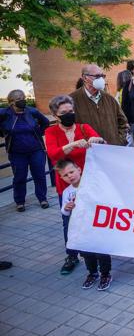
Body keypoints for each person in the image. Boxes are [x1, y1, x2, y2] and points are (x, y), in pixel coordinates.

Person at [45, 95, 104, 275]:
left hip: (88, 183)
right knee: (69, 220)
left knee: (93, 216)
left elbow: (100, 141)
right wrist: (71, 145)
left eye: (71, 111)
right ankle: (71, 254)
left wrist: (98, 140)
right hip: (67, 185)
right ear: (56, 115)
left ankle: (96, 251)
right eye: (64, 113)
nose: (69, 115)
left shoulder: (84, 128)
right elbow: (53, 154)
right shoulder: (51, 132)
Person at [56, 158, 113, 291]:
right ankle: (92, 273)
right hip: (82, 229)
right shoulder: (66, 192)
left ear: (79, 170)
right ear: (61, 178)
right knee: (87, 253)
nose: (69, 176)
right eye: (65, 175)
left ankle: (105, 274)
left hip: (98, 226)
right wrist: (67, 208)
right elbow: (64, 213)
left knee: (101, 252)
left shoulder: (92, 184)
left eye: (71, 172)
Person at [0, 89, 50, 212]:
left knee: (39, 175)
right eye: (18, 99)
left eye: (23, 97)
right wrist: (3, 133)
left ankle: (42, 198)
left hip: (36, 150)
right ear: (11, 102)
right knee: (19, 177)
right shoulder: (5, 114)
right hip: (16, 153)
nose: (22, 100)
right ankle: (20, 202)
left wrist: (39, 132)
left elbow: (46, 122)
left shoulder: (32, 111)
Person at [70, 64, 129, 146]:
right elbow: (68, 128)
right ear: (84, 78)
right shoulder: (72, 100)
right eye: (97, 76)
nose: (101, 79)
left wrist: (119, 141)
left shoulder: (109, 99)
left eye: (102, 76)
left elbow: (123, 122)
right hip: (87, 152)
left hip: (111, 148)